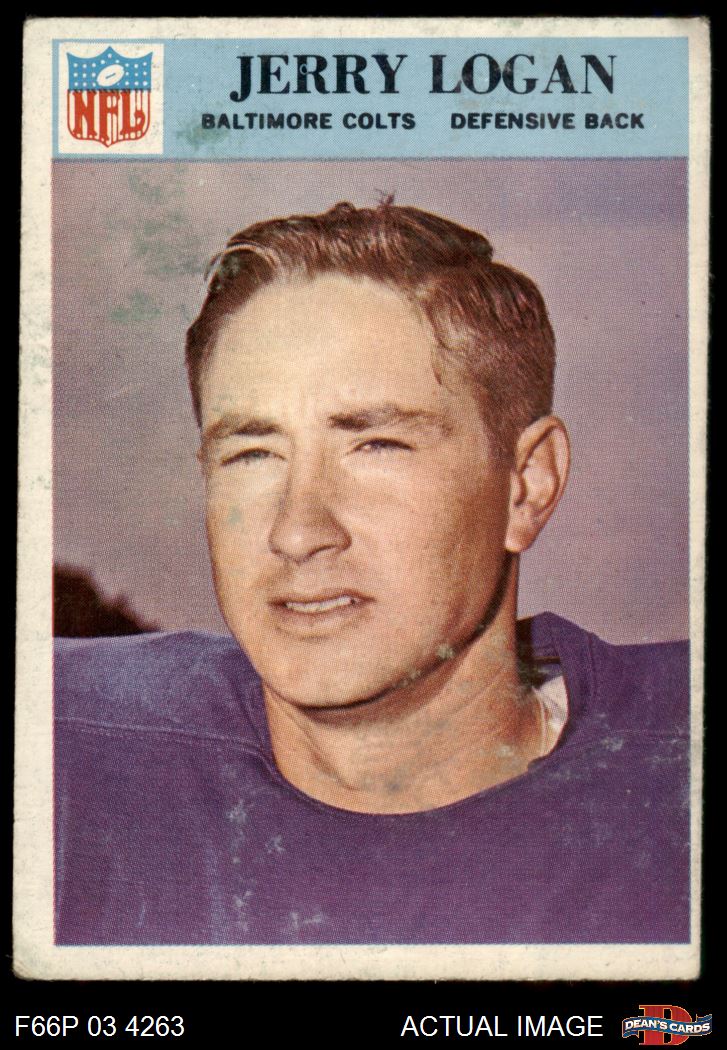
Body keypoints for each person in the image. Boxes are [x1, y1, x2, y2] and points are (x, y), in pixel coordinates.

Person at [55, 202, 689, 946]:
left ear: (525, 487)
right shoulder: (67, 748)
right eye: (252, 454)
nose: (297, 531)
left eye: (378, 445)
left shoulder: (672, 769)